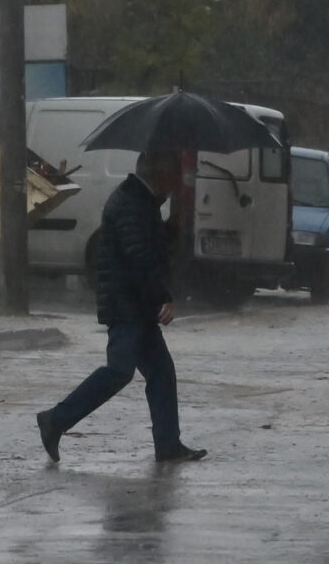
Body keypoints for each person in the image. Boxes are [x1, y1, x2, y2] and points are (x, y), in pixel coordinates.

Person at [36, 149, 206, 463]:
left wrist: (173, 227)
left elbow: (151, 248)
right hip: (126, 305)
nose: (173, 187)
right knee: (119, 370)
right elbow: (139, 258)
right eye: (171, 179)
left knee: (161, 372)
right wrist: (163, 296)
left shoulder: (142, 202)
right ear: (159, 176)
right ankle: (55, 420)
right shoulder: (131, 203)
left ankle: (168, 444)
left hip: (136, 305)